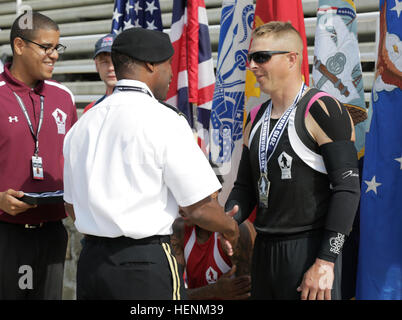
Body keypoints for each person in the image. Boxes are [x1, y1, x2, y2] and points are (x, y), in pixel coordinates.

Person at [63, 27, 239, 300]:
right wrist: (231, 229)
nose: (171, 75)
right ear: (150, 64)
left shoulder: (82, 124)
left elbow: (71, 206)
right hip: (142, 263)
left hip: (91, 263)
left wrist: (105, 227)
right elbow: (200, 208)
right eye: (168, 64)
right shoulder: (165, 120)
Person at [225, 21, 360, 300]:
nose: (252, 65)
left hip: (309, 251)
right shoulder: (254, 117)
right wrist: (229, 221)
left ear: (291, 58)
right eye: (250, 57)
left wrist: (325, 261)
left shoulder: (322, 109)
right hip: (264, 251)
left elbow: (347, 190)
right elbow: (244, 187)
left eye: (262, 57)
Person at [0, 11, 77, 299]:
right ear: (19, 46)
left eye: (57, 47)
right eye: (46, 47)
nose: (54, 55)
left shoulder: (63, 96)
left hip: (50, 233)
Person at [171, 186, 256, 300]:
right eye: (179, 198)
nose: (180, 208)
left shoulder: (240, 231)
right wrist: (213, 291)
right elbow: (170, 294)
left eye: (187, 197)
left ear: (213, 192)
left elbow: (249, 293)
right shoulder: (179, 230)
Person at [83, 33, 117, 114]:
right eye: (105, 62)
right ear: (96, 65)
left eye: (116, 61)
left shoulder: (141, 105)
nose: (111, 68)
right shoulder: (90, 110)